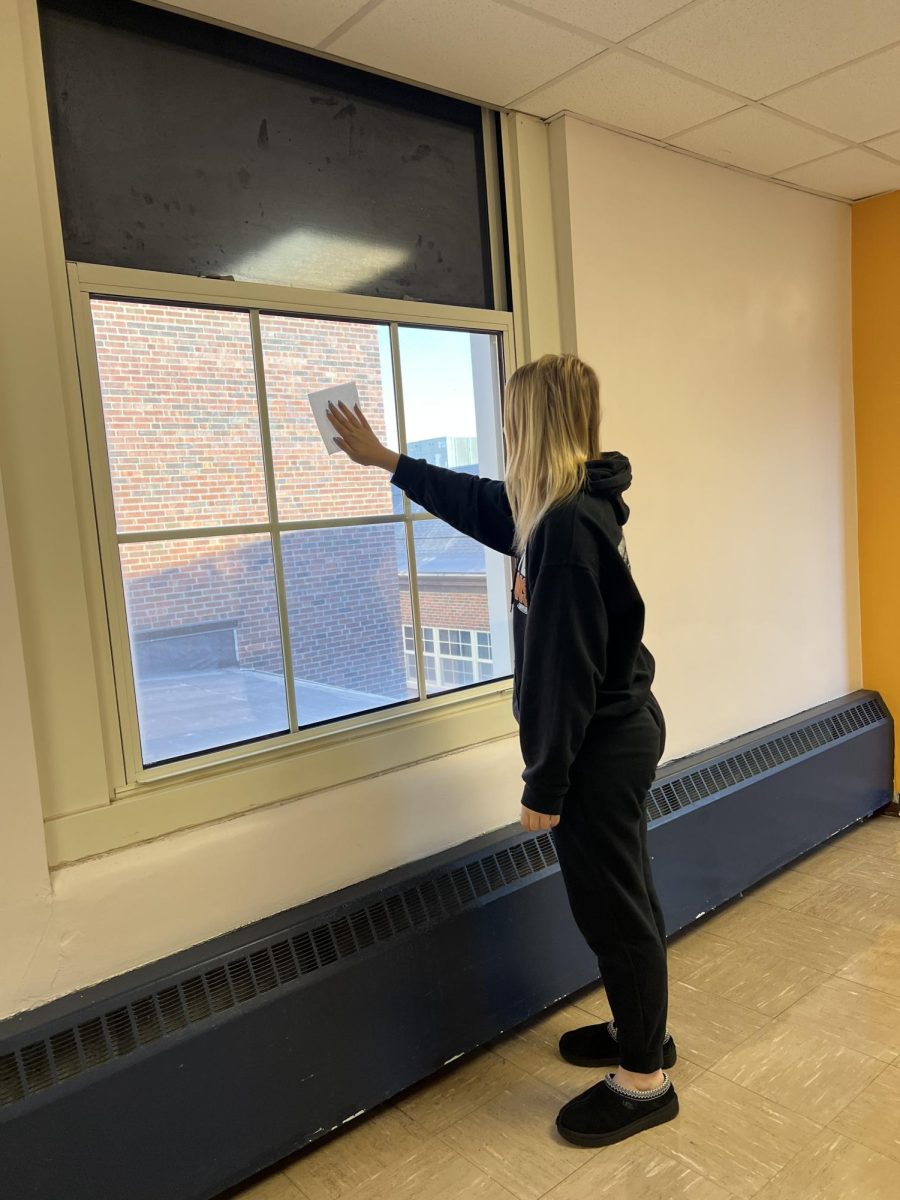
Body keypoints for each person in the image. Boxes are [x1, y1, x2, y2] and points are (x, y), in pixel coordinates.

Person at [326, 353, 678, 1148]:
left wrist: (545, 784)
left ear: (535, 422)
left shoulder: (564, 528)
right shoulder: (554, 506)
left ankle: (645, 1082)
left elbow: (564, 674)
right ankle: (642, 1034)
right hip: (612, 735)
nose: (505, 426)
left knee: (614, 910)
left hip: (597, 748)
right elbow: (482, 505)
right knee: (626, 900)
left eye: (513, 414)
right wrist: (389, 461)